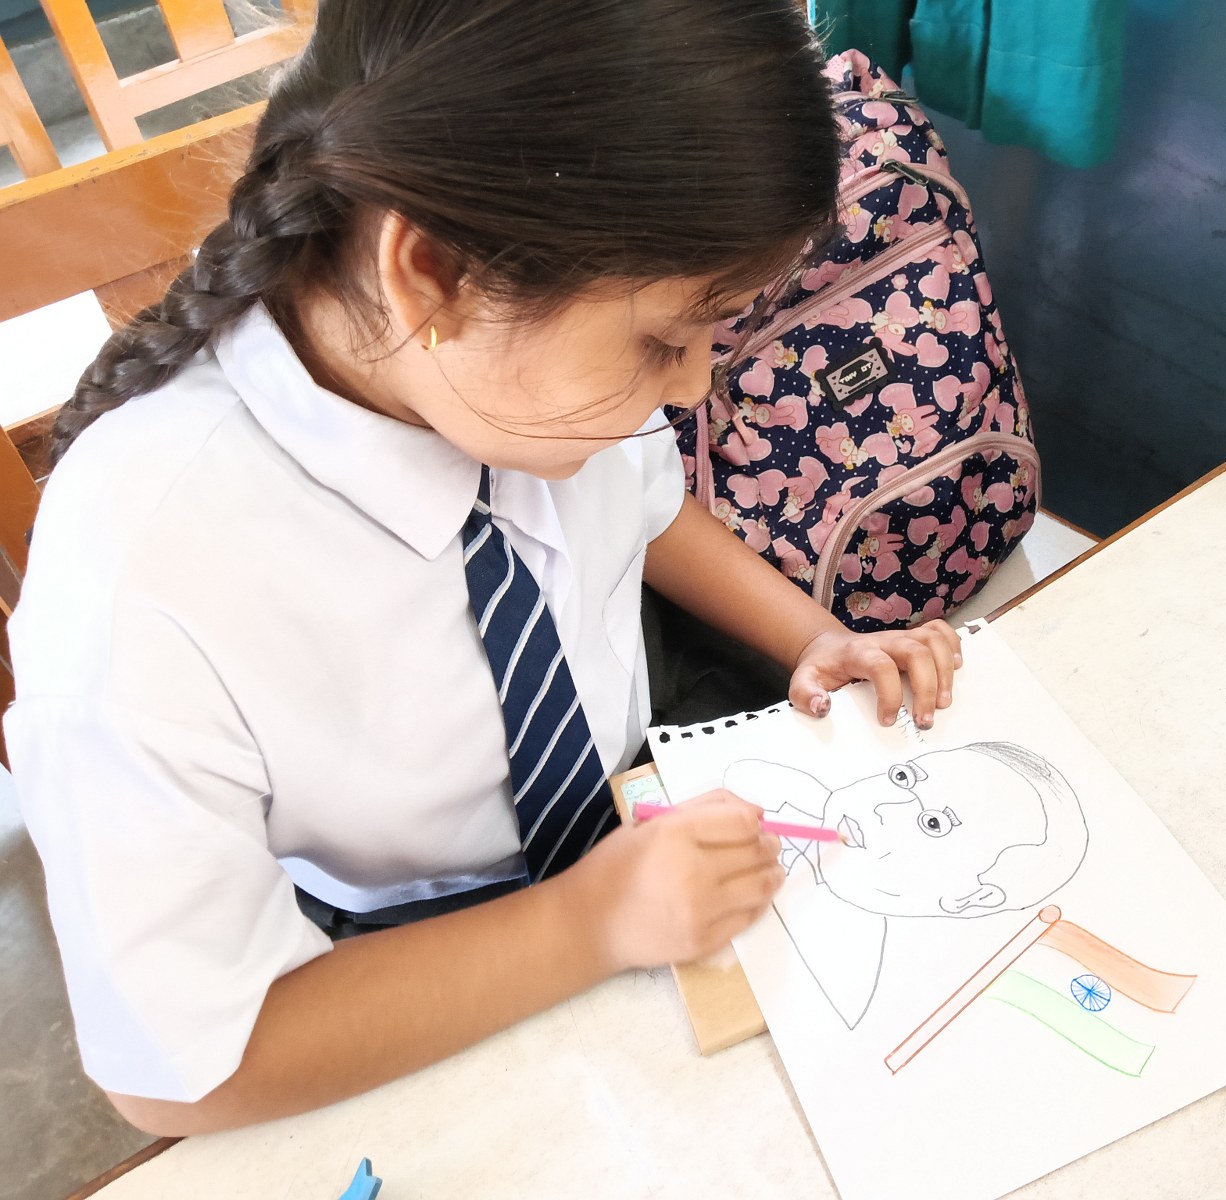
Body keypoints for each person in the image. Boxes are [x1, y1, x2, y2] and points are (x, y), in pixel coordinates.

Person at [3, 0, 963, 1136]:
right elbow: (182, 1072)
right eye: (665, 340)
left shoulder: (502, 378)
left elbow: (645, 511)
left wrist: (811, 635)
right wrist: (589, 924)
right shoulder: (145, 577)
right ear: (432, 273)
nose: (696, 386)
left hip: (641, 801)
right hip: (408, 953)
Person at [723, 743, 1087, 1028]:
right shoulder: (767, 786)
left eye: (933, 823)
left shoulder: (838, 972)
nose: (884, 806)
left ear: (969, 897)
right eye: (904, 778)